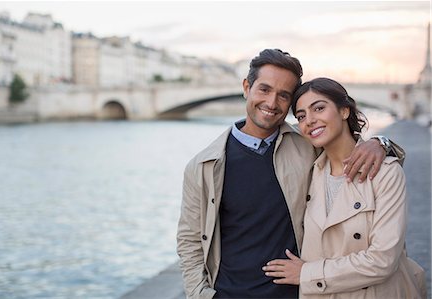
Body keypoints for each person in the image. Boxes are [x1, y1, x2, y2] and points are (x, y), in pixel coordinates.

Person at [176, 49, 404, 299]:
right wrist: (200, 294)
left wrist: (381, 143)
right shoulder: (204, 166)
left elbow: (345, 146)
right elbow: (190, 240)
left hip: (299, 292)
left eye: (283, 95)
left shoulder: (307, 146)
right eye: (264, 89)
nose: (272, 103)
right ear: (246, 87)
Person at [263, 77, 426, 298]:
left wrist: (307, 273)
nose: (309, 120)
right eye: (301, 116)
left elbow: (383, 260)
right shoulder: (307, 171)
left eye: (319, 108)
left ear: (344, 111)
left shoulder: (385, 173)